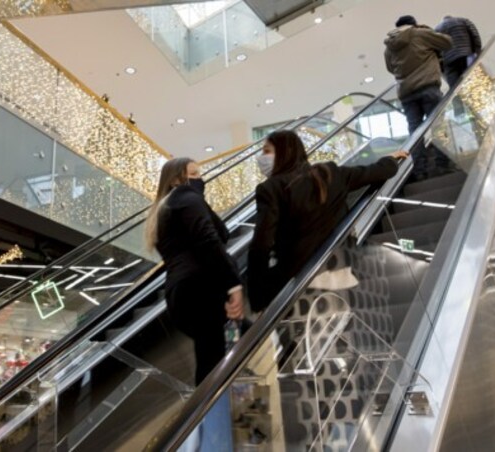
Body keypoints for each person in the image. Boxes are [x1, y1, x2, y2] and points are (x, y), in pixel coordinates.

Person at [247, 130, 408, 311]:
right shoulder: (329, 173)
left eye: (267, 151)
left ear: (285, 152)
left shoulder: (270, 188)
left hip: (301, 286)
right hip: (342, 274)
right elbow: (377, 171)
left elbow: (261, 245)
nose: (262, 157)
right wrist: (391, 159)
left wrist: (256, 298)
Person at [145, 157, 244, 385]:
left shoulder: (165, 208)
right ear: (177, 179)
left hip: (183, 293)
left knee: (213, 357)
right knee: (212, 363)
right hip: (201, 289)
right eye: (195, 174)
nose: (201, 179)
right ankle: (208, 416)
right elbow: (209, 240)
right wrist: (234, 284)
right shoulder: (187, 198)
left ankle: (210, 415)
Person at [384, 15, 453, 179]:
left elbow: (390, 68)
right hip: (428, 86)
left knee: (415, 131)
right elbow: (447, 42)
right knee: (437, 126)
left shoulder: (389, 47)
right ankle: (443, 164)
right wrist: (426, 30)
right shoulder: (419, 33)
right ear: (412, 24)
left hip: (406, 92)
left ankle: (420, 170)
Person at [435, 15, 482, 89]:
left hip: (448, 61)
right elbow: (475, 35)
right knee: (473, 81)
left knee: (455, 88)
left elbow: (436, 51)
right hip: (466, 55)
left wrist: (442, 68)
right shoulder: (463, 20)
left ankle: (461, 98)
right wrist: (476, 51)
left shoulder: (437, 28)